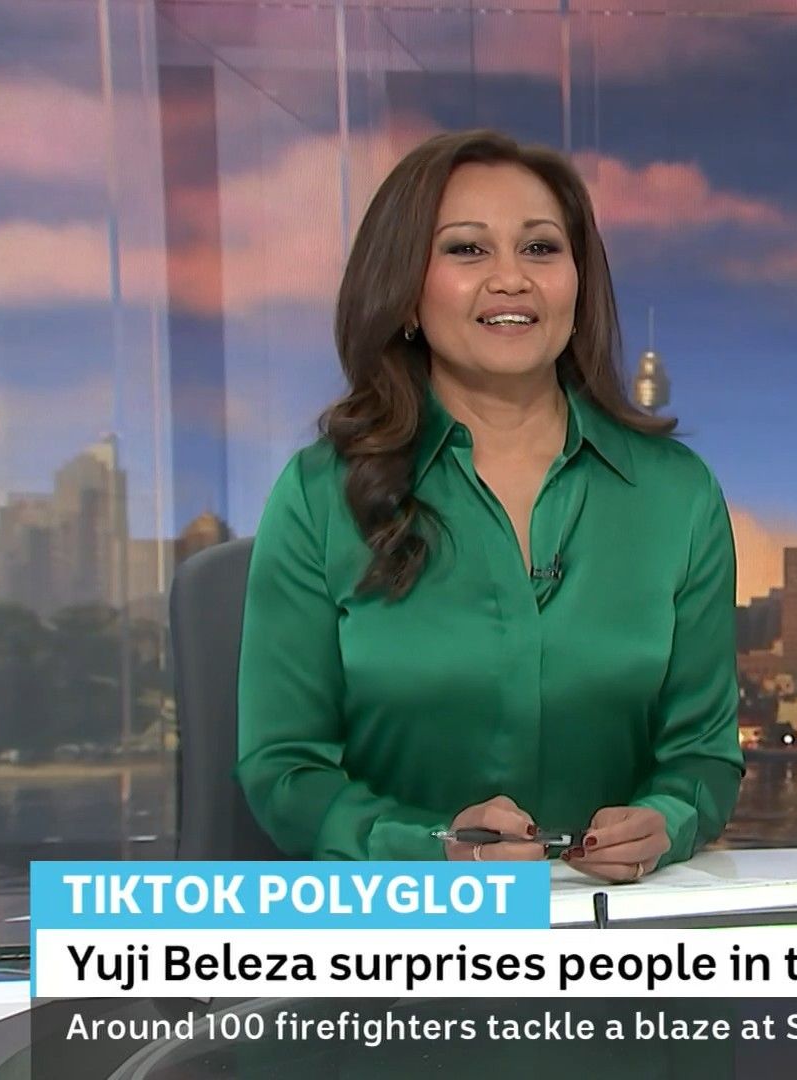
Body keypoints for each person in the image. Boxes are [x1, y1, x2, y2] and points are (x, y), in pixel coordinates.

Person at [236, 129, 743, 877]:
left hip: (620, 927)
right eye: (467, 250)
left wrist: (667, 820)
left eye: (540, 248)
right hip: (405, 929)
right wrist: (427, 845)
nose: (512, 278)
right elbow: (283, 770)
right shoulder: (320, 495)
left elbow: (703, 759)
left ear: (578, 284)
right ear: (406, 293)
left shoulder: (677, 495)